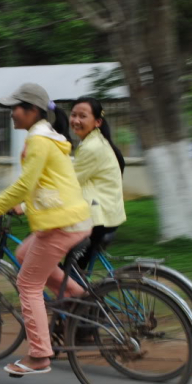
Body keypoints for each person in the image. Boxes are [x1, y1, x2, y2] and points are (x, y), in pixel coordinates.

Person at [0, 83, 92, 376]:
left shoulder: (39, 140)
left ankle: (39, 356)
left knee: (27, 284)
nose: (12, 113)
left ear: (33, 111)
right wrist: (22, 207)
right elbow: (45, 183)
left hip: (61, 224)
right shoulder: (46, 137)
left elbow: (25, 185)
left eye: (16, 108)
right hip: (66, 219)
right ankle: (80, 299)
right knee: (24, 253)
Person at [69, 97, 127, 269]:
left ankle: (76, 294)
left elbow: (69, 183)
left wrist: (26, 205)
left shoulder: (92, 147)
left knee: (68, 274)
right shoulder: (94, 142)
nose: (76, 120)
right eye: (73, 115)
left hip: (99, 221)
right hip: (104, 216)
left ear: (97, 122)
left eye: (83, 116)